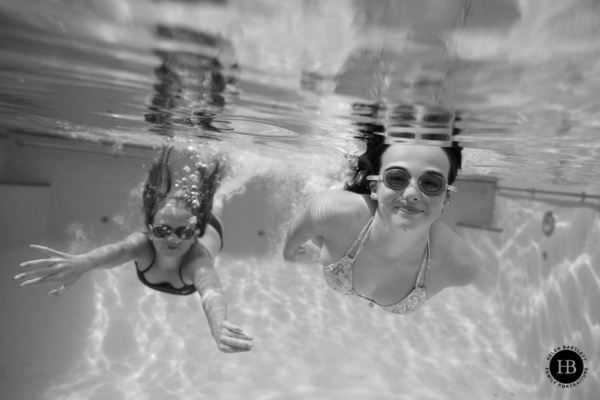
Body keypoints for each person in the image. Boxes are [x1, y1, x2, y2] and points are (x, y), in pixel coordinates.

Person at [14, 146, 253, 353]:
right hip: (191, 220)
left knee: (214, 208)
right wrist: (84, 263)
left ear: (193, 237)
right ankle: (193, 198)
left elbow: (211, 290)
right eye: (162, 230)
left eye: (184, 232)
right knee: (191, 203)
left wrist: (217, 322)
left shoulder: (196, 260)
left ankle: (210, 201)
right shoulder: (143, 245)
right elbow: (117, 251)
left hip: (211, 227)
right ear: (150, 230)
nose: (172, 238)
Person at [283, 104, 479, 314]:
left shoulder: (460, 264)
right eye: (396, 178)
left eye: (431, 183)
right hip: (345, 225)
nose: (412, 194)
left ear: (446, 197)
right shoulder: (332, 211)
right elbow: (298, 231)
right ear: (375, 188)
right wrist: (289, 252)